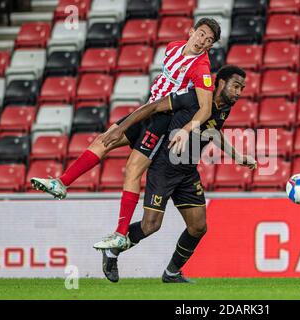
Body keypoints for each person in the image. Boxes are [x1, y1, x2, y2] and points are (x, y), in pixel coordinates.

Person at [30, 18, 221, 248]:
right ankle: (61, 183)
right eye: (201, 34)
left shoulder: (201, 69)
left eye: (209, 40)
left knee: (132, 169)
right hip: (146, 111)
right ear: (191, 31)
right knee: (103, 140)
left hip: (162, 121)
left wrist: (187, 128)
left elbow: (206, 108)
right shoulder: (173, 48)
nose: (203, 41)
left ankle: (121, 233)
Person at [98, 65, 256, 283]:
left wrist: (237, 155)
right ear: (220, 82)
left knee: (198, 227)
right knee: (150, 225)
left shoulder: (223, 108)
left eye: (242, 88)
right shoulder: (193, 97)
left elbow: (212, 130)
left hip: (187, 171)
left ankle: (172, 273)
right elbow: (153, 107)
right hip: (164, 167)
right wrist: (121, 128)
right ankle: (112, 252)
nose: (239, 92)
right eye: (236, 86)